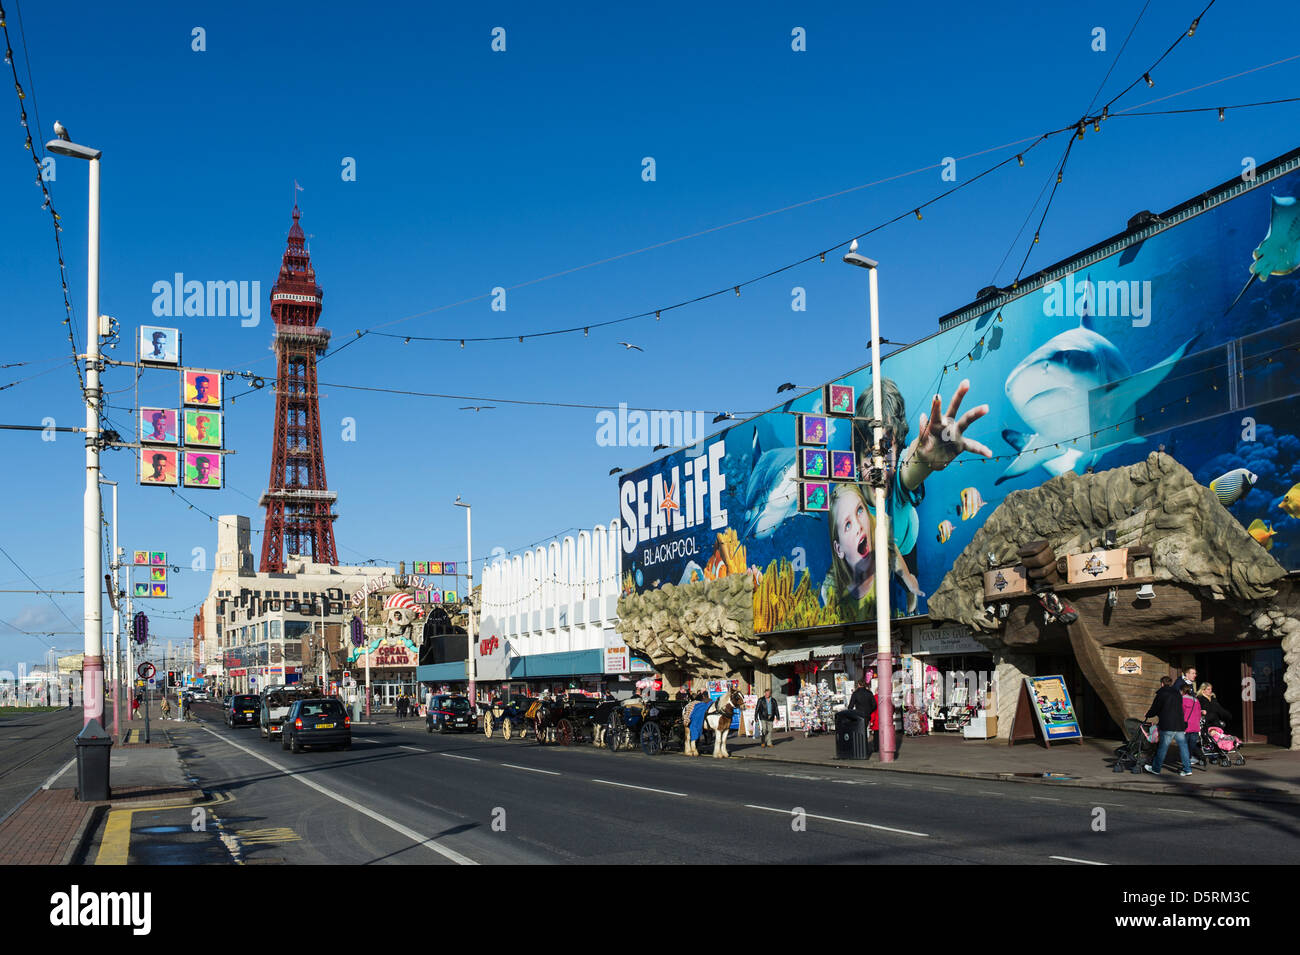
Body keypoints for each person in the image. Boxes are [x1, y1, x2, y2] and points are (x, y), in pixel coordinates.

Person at [1144, 676, 1191, 776]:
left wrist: (1148, 714)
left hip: (1168, 725)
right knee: (1183, 747)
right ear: (1170, 683)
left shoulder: (1161, 693)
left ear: (1162, 683)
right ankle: (1188, 770)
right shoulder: (1178, 694)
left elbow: (1155, 708)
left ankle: (1156, 769)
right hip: (1179, 724)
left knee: (1163, 748)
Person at [848, 679, 878, 757]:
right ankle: (865, 747)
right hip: (867, 715)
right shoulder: (869, 693)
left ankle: (860, 748)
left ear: (858, 684)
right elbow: (874, 705)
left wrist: (850, 714)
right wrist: (869, 711)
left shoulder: (855, 693)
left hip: (858, 714)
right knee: (865, 730)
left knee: (859, 731)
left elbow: (850, 706)